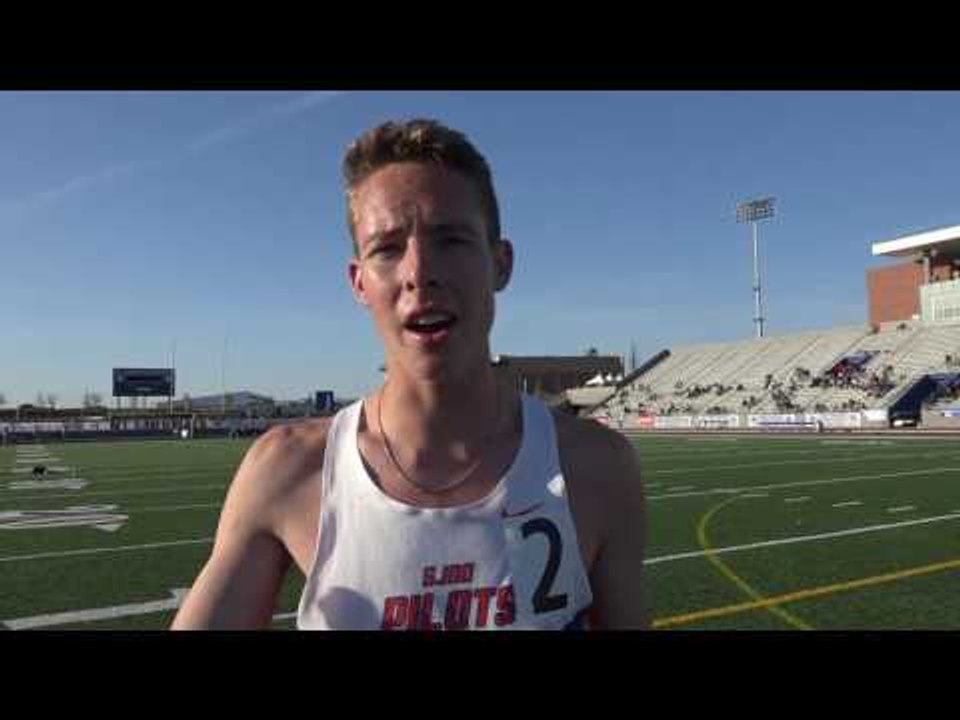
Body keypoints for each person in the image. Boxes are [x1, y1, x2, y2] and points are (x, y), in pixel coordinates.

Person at [171, 118, 649, 630]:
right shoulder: (286, 472)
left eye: (451, 240)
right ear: (359, 282)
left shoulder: (596, 467)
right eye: (387, 247)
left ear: (501, 264)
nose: (419, 272)